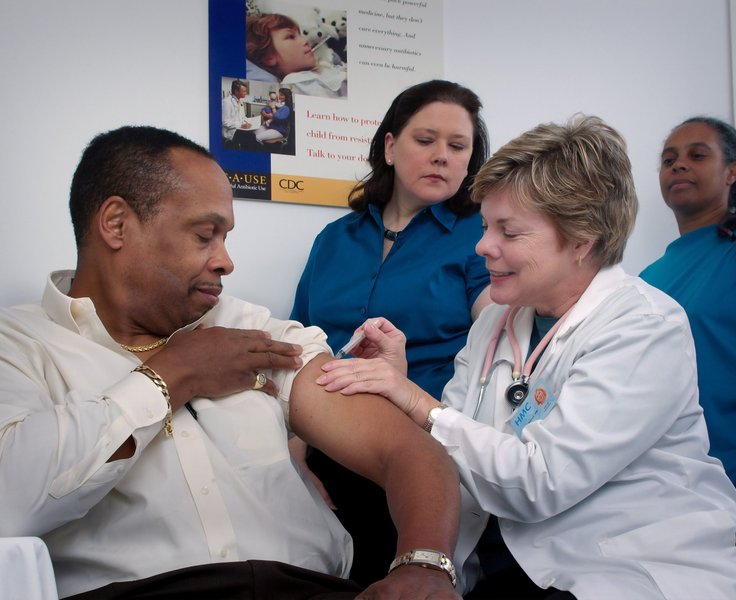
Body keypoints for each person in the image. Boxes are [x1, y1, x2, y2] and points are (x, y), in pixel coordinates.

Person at [315, 115, 736, 599]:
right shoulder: (497, 322)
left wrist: (413, 400)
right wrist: (398, 388)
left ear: (582, 240)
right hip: (504, 566)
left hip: (633, 568)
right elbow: (451, 454)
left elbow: (540, 482)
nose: (482, 246)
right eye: (487, 225)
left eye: (508, 232)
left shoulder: (644, 323)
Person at [0, 125, 463, 599]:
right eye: (205, 235)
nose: (225, 261)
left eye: (225, 236)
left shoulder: (254, 331)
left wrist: (424, 564)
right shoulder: (18, 346)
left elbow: (405, 450)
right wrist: (174, 373)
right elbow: (13, 501)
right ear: (116, 224)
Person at [289, 79, 492, 586]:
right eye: (426, 140)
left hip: (427, 450)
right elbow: (296, 346)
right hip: (326, 443)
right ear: (389, 146)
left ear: (471, 161)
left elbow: (500, 339)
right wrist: (293, 447)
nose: (441, 156)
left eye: (457, 146)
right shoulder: (335, 238)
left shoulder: (485, 237)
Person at [640, 116, 736, 599]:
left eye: (696, 154)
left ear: (733, 171)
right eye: (668, 159)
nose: (678, 165)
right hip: (696, 496)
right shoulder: (648, 276)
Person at [245, 13, 347, 98]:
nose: (305, 41)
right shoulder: (297, 84)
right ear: (268, 57)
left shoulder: (314, 73)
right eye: (290, 36)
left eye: (300, 34)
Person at [221, 79, 257, 150]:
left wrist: (249, 122)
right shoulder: (226, 102)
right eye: (244, 91)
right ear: (236, 91)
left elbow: (243, 116)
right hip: (230, 131)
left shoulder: (240, 101)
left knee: (252, 135)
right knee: (251, 137)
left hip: (239, 128)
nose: (246, 93)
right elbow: (225, 122)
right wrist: (241, 125)